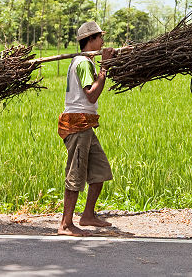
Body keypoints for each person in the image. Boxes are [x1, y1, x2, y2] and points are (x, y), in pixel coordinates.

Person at [57, 21, 116, 237]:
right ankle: (65, 224)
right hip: (77, 124)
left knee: (99, 169)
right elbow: (91, 94)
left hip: (86, 125)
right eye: (100, 37)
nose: (103, 41)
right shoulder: (82, 63)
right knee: (76, 173)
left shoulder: (84, 62)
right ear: (90, 40)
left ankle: (88, 215)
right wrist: (105, 68)